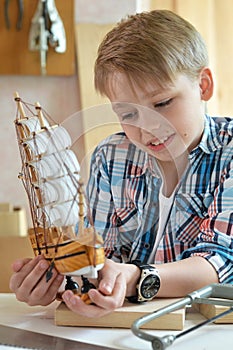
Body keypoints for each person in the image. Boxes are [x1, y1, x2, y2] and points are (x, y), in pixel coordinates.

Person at [10, 10, 233, 318]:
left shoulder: (229, 154)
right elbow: (103, 262)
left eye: (162, 104)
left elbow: (218, 261)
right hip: (128, 328)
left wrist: (135, 278)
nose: (147, 128)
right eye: (128, 114)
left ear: (203, 85)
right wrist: (63, 282)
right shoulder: (111, 157)